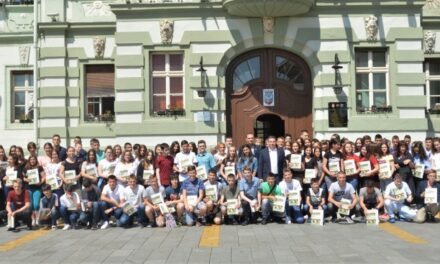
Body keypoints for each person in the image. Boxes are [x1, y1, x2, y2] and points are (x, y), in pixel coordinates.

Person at [22, 155, 46, 226]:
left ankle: (37, 219)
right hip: (28, 188)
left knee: (36, 205)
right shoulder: (26, 168)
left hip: (37, 188)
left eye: (34, 159)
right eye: (31, 159)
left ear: (36, 160)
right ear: (29, 160)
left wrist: (41, 182)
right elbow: (23, 177)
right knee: (31, 205)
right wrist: (27, 179)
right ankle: (33, 219)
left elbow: (43, 176)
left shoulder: (39, 167)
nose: (32, 161)